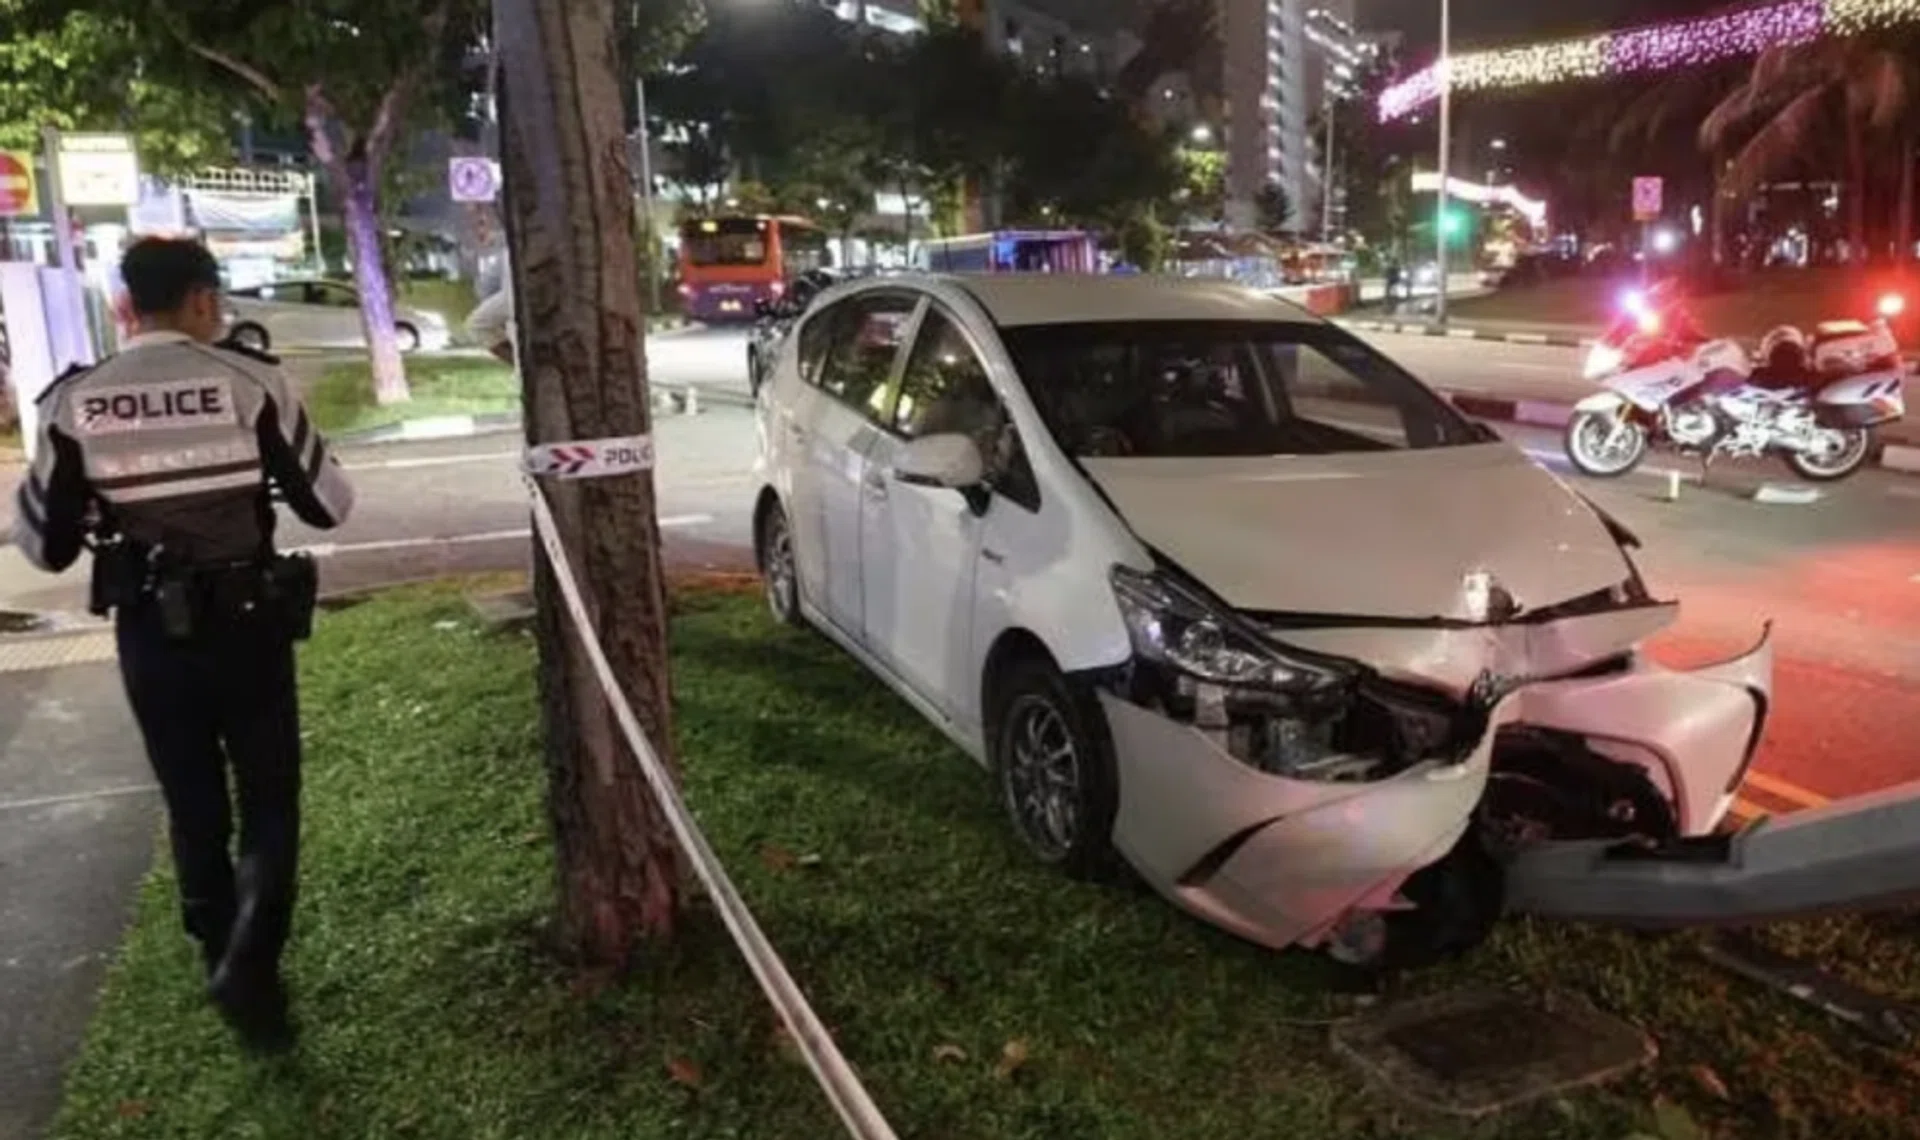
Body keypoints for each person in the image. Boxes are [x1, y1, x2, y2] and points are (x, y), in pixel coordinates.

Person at [9, 237, 355, 1053]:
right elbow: (329, 505)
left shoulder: (73, 401)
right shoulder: (250, 382)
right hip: (249, 625)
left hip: (150, 633)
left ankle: (215, 952)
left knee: (192, 800)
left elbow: (43, 546)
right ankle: (253, 966)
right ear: (202, 299)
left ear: (126, 306)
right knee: (269, 798)